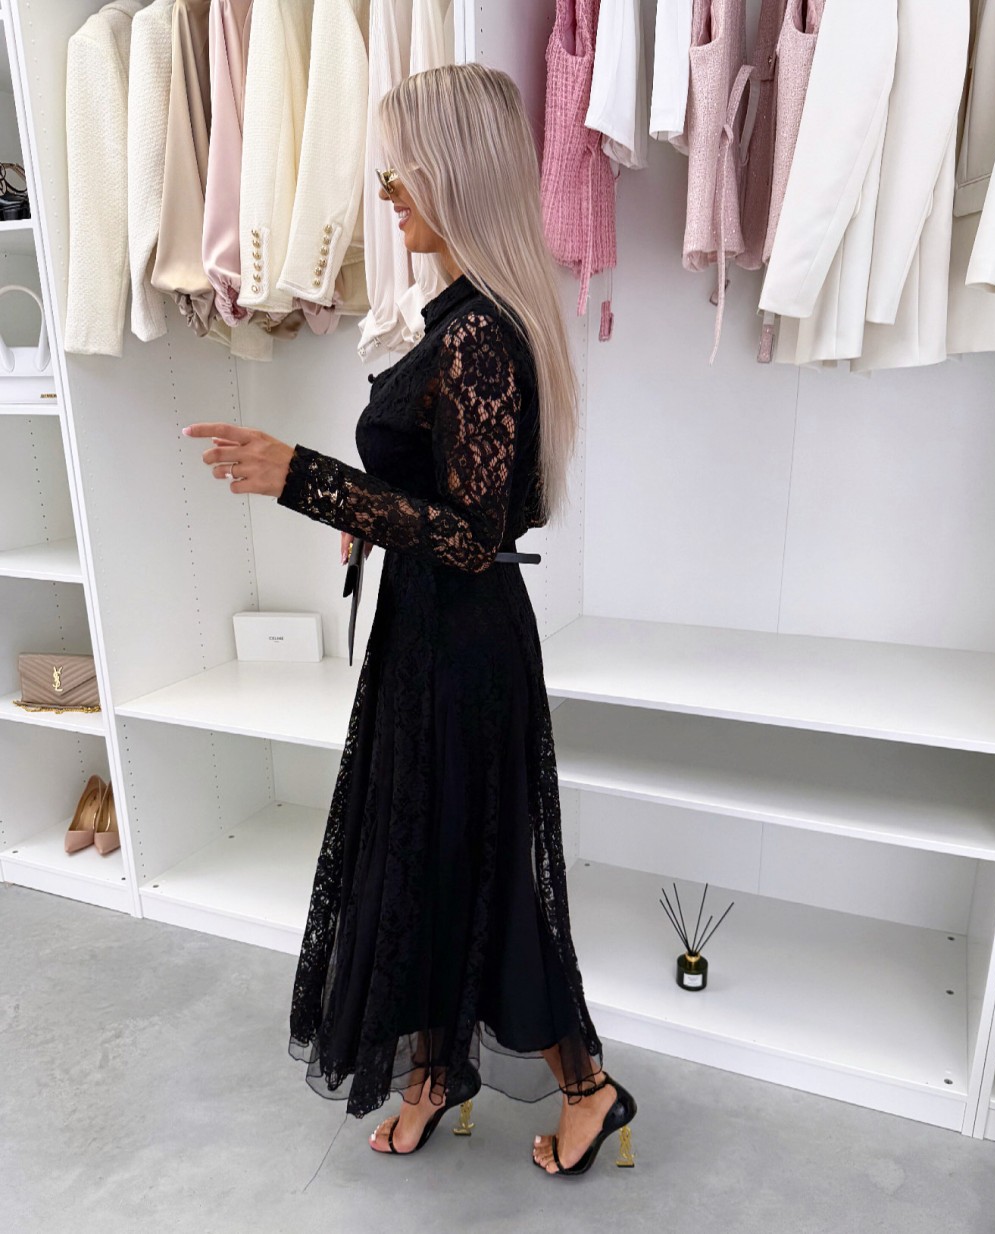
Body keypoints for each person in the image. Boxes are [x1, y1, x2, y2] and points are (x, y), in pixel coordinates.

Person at [183, 61, 638, 1177]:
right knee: (429, 857)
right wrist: (374, 516)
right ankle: (437, 1072)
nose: (387, 192)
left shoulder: (479, 334)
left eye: (403, 172)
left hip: (464, 646)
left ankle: (588, 1087)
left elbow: (477, 536)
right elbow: (470, 501)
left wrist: (306, 478)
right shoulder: (467, 320)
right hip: (430, 631)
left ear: (458, 177)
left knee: (480, 869)